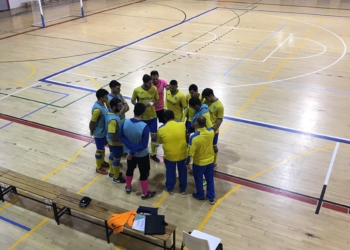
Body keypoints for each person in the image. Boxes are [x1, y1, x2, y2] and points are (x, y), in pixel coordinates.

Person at [120, 103, 156, 199]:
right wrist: (133, 151)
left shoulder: (125, 122)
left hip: (129, 154)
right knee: (143, 173)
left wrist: (131, 150)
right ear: (143, 113)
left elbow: (121, 137)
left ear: (134, 110)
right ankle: (144, 193)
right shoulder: (144, 126)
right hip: (142, 155)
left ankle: (128, 187)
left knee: (130, 169)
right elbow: (144, 145)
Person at [186, 116, 215, 205]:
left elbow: (190, 153)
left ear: (196, 124)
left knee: (198, 179)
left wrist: (187, 163)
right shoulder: (211, 132)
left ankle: (200, 195)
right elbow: (210, 126)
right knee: (210, 179)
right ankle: (211, 197)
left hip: (199, 163)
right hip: (210, 161)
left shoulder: (194, 137)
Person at [131, 74, 160, 162]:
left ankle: (153, 154)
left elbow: (157, 100)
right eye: (149, 83)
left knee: (154, 136)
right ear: (144, 82)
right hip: (142, 118)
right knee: (143, 137)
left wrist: (152, 103)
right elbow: (132, 100)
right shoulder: (137, 90)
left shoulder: (154, 89)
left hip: (153, 117)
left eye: (151, 83)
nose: (151, 85)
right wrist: (140, 106)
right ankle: (143, 152)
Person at [158, 110, 187, 195]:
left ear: (165, 118)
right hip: (182, 153)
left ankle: (170, 188)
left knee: (170, 172)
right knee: (182, 171)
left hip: (169, 155)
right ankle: (183, 189)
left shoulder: (161, 129)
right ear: (174, 116)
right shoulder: (182, 125)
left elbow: (160, 142)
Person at [188, 96, 213, 185]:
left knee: (201, 159)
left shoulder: (204, 113)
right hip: (199, 134)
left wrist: (201, 134)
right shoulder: (199, 110)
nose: (192, 109)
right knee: (197, 156)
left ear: (196, 106)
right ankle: (196, 171)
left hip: (202, 137)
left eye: (192, 107)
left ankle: (202, 179)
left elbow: (210, 128)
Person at [202, 88, 224, 169]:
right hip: (204, 129)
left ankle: (214, 162)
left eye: (206, 98)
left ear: (211, 95)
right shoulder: (206, 102)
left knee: (213, 146)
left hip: (213, 130)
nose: (205, 100)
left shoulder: (219, 105)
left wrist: (214, 130)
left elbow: (220, 120)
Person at [106, 98, 126, 183]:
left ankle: (112, 172)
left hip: (110, 141)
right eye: (119, 106)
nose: (121, 107)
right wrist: (120, 140)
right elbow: (111, 133)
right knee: (117, 159)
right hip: (115, 142)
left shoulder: (109, 113)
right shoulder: (113, 119)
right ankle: (116, 178)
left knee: (111, 155)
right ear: (114, 107)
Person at [89, 88, 109, 175]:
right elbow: (92, 122)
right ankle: (98, 167)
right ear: (100, 98)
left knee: (102, 149)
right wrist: (92, 131)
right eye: (105, 97)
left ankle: (102, 162)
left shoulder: (103, 105)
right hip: (99, 133)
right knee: (99, 150)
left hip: (103, 132)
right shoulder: (97, 110)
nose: (107, 98)